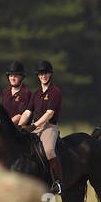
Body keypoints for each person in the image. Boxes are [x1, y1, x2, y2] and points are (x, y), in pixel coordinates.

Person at [29, 60, 63, 195]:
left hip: (49, 127)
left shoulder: (55, 92)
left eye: (46, 73)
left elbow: (49, 114)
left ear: (50, 74)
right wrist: (20, 127)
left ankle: (57, 182)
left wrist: (33, 125)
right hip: (34, 126)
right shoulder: (35, 93)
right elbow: (27, 112)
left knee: (48, 150)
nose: (43, 76)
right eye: (41, 74)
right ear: (38, 76)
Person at [1, 61, 33, 128]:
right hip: (6, 127)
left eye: (15, 76)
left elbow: (20, 116)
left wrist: (4, 125)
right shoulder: (5, 92)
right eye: (11, 76)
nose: (12, 78)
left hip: (20, 129)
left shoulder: (26, 93)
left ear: (21, 77)